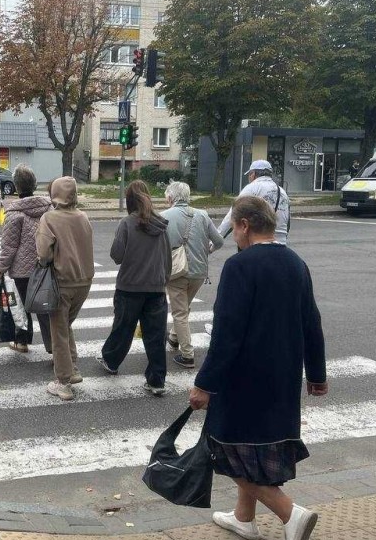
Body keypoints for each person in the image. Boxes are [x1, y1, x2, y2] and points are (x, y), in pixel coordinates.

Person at [189, 196, 327, 540]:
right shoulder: (296, 263)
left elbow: (227, 334)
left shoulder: (239, 266)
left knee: (227, 451)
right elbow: (311, 321)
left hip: (242, 380)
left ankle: (290, 513)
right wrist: (316, 374)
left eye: (233, 227)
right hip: (283, 378)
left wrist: (205, 384)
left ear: (245, 225)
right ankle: (244, 518)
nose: (233, 235)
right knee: (258, 450)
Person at [98, 180, 172, 396]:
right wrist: (163, 280)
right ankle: (157, 381)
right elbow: (167, 257)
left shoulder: (127, 223)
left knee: (123, 328)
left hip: (129, 287)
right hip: (156, 288)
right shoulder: (161, 225)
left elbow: (116, 256)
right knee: (156, 336)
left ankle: (111, 361)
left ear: (129, 200)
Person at [36, 176, 94, 401]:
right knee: (65, 325)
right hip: (84, 281)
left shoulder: (49, 218)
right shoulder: (83, 216)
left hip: (61, 281)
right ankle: (73, 369)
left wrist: (45, 261)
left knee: (58, 331)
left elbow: (43, 253)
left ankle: (63, 383)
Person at [161, 181, 224, 368]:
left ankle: (187, 354)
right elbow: (219, 241)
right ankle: (174, 338)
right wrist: (208, 250)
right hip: (199, 272)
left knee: (180, 312)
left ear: (170, 198)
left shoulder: (164, 216)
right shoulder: (203, 215)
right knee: (184, 307)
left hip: (177, 271)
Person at [0, 165, 53, 354]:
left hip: (22, 271)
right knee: (45, 309)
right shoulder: (49, 208)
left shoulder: (14, 213)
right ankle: (55, 348)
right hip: (45, 266)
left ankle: (21, 342)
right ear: (35, 184)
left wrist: (0, 268)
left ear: (16, 186)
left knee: (21, 307)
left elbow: (9, 246)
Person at [218, 160, 290, 244]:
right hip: (280, 243)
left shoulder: (252, 188)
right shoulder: (282, 192)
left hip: (258, 242)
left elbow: (233, 215)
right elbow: (287, 222)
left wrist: (217, 238)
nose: (249, 178)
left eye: (249, 174)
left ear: (253, 174)